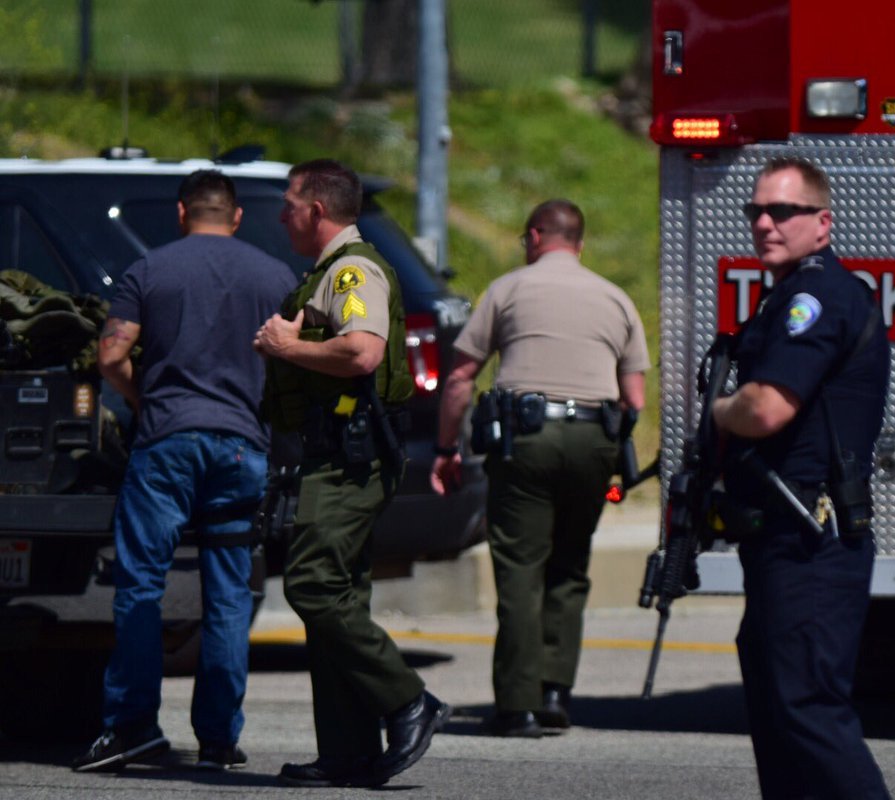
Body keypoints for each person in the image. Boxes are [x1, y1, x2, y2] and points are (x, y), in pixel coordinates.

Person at [73, 170, 296, 773]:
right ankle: (219, 737)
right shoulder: (275, 276)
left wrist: (144, 398)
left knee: (141, 583)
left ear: (180, 214)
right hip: (242, 451)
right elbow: (292, 366)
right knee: (228, 593)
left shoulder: (151, 270)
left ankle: (131, 727)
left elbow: (111, 355)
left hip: (167, 443)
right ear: (237, 216)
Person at [254, 159, 448, 787]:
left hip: (349, 461)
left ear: (317, 210)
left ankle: (407, 700)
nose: (282, 215)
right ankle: (348, 751)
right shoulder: (329, 272)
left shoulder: (352, 270)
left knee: (310, 585)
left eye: (289, 203)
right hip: (334, 456)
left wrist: (289, 348)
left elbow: (361, 351)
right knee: (338, 595)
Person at [431, 199, 650, 737]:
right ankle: (555, 691)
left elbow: (461, 377)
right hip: (593, 442)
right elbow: (635, 397)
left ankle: (517, 704)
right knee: (570, 566)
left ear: (534, 236)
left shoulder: (507, 290)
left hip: (526, 441)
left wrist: (445, 448)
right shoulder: (616, 298)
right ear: (580, 242)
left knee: (520, 568)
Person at [711, 158, 892, 799]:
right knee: (779, 707)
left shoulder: (817, 296)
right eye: (755, 211)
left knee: (809, 708)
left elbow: (764, 408)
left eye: (781, 211)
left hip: (812, 542)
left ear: (822, 223)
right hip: (782, 539)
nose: (764, 223)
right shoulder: (785, 294)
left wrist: (718, 409)